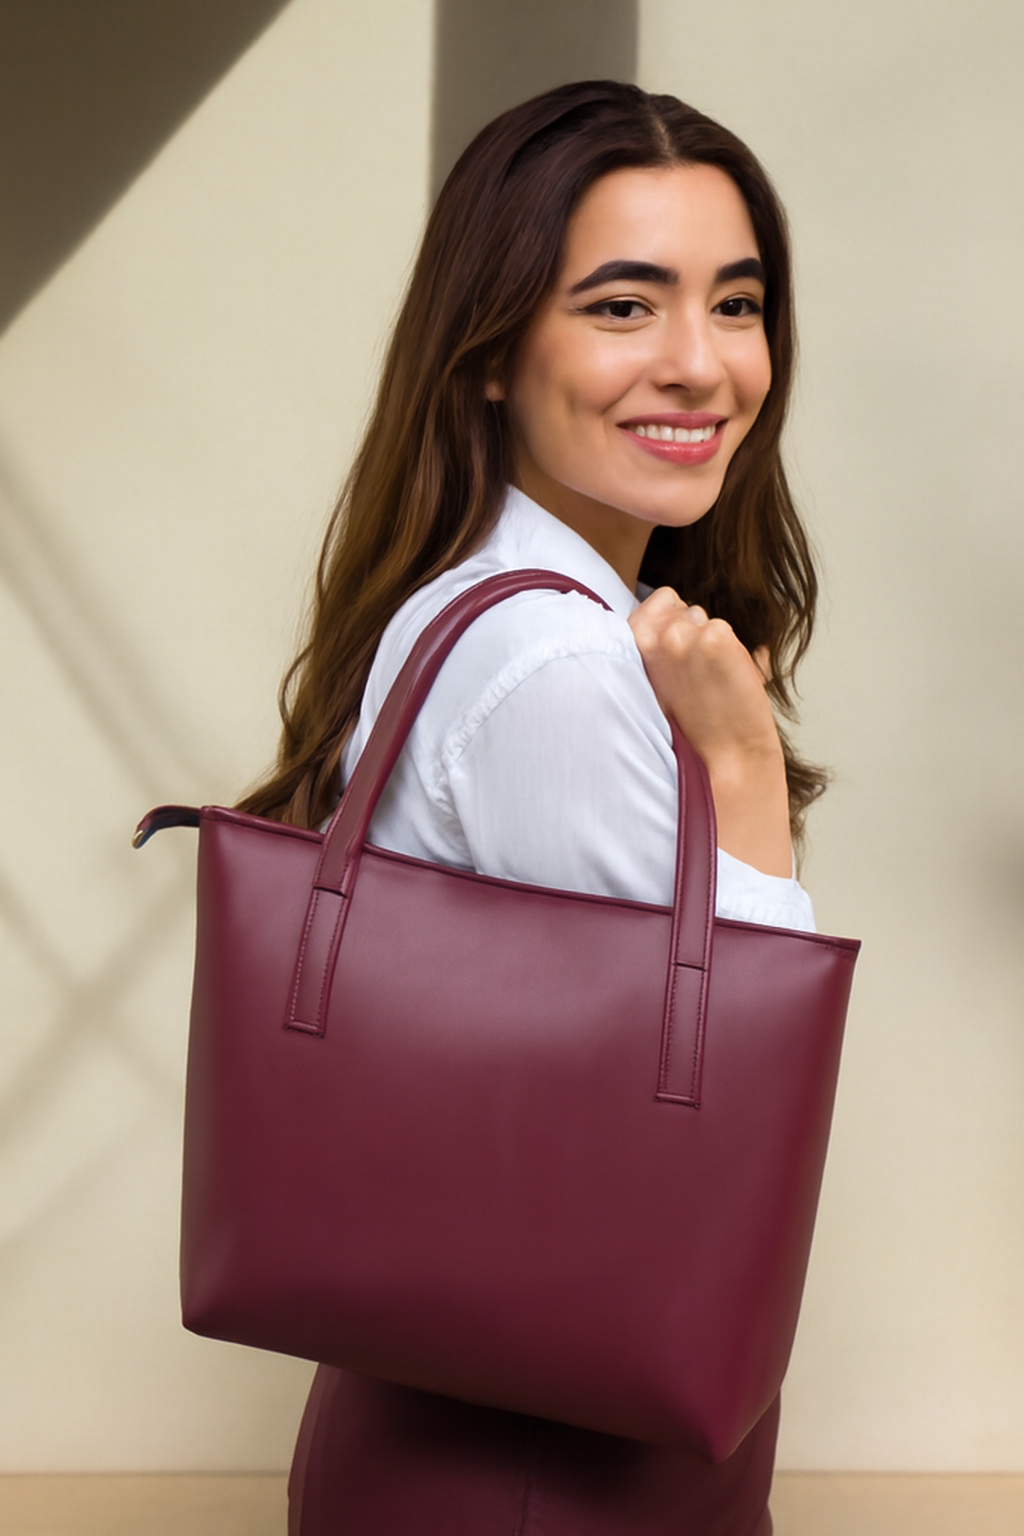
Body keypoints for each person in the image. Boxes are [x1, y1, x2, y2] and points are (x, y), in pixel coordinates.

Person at [241, 79, 828, 1536]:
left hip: (473, 1435)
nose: (701, 365)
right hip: (544, 1473)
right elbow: (709, 1123)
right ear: (493, 349)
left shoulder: (487, 604)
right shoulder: (560, 662)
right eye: (625, 307)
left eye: (736, 305)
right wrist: (745, 778)